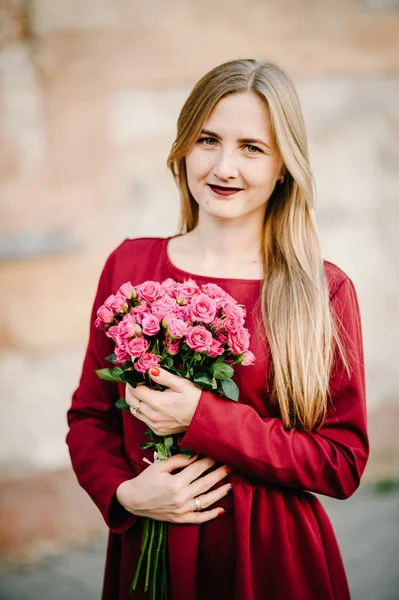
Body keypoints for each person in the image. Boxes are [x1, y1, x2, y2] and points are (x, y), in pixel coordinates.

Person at [66, 59, 369, 600]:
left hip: (272, 560)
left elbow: (341, 463)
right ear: (183, 147)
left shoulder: (321, 291)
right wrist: (125, 494)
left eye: (252, 147)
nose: (224, 166)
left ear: (284, 166)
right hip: (150, 552)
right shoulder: (130, 266)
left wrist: (206, 419)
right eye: (208, 139)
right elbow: (90, 415)